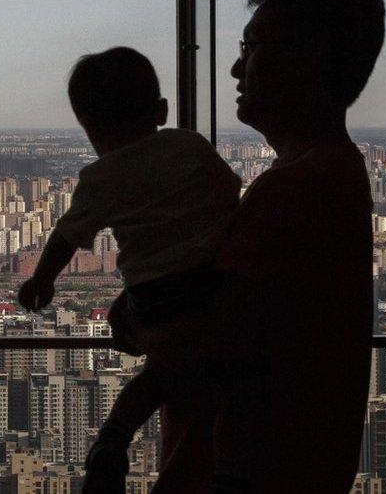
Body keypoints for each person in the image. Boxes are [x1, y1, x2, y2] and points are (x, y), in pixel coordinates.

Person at [143, 0, 384, 493]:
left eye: (251, 48)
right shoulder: (334, 170)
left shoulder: (298, 185)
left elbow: (202, 340)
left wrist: (138, 316)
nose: (234, 69)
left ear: (309, 56)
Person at [16, 47, 241, 492]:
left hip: (154, 301)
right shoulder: (188, 144)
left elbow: (66, 235)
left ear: (89, 128)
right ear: (161, 110)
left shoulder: (101, 177)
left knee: (157, 373)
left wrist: (42, 280)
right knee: (209, 378)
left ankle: (114, 436)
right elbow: (230, 192)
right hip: (217, 289)